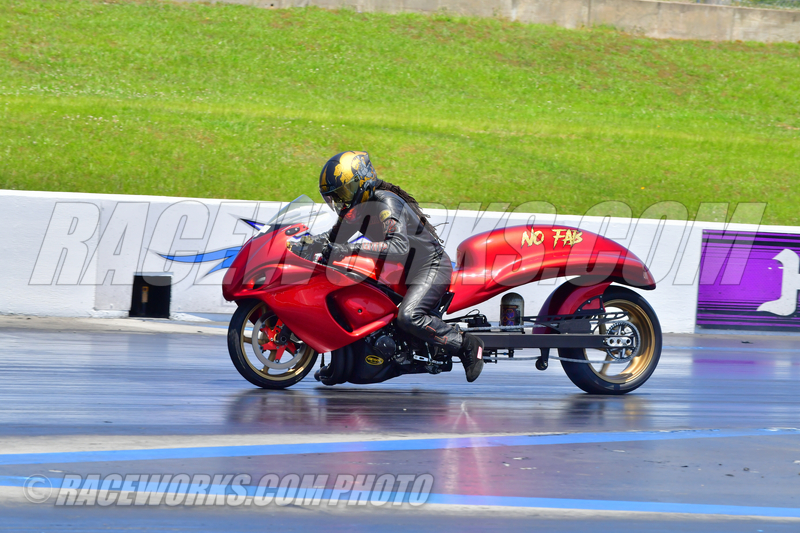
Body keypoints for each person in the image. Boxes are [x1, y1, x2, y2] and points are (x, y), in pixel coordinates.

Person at [310, 151, 484, 382]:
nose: (342, 201)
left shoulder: (386, 202)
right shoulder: (355, 210)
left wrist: (351, 249)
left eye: (345, 192)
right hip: (400, 271)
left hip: (429, 266)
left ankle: (466, 344)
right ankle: (342, 365)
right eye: (335, 196)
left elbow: (398, 246)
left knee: (409, 317)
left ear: (363, 182)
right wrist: (301, 243)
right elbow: (332, 239)